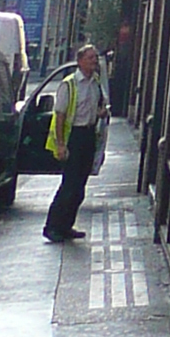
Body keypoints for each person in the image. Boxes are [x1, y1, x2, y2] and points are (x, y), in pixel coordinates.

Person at [41, 45, 110, 244]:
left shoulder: (95, 82)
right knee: (69, 185)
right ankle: (52, 226)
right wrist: (61, 144)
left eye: (95, 58)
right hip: (73, 136)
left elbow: (99, 106)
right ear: (80, 61)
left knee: (80, 185)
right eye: (90, 58)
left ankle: (66, 225)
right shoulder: (69, 85)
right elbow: (60, 116)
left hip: (88, 135)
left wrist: (101, 113)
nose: (94, 62)